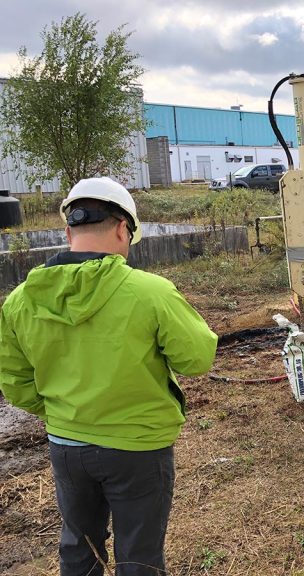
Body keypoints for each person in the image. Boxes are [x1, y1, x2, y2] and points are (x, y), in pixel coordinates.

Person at [0, 177, 218, 575]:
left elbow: (14, 381)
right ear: (122, 229)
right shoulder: (150, 292)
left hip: (67, 447)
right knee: (139, 554)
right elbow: (197, 359)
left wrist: (61, 412)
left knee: (78, 547)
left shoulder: (19, 301)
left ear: (69, 232)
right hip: (138, 449)